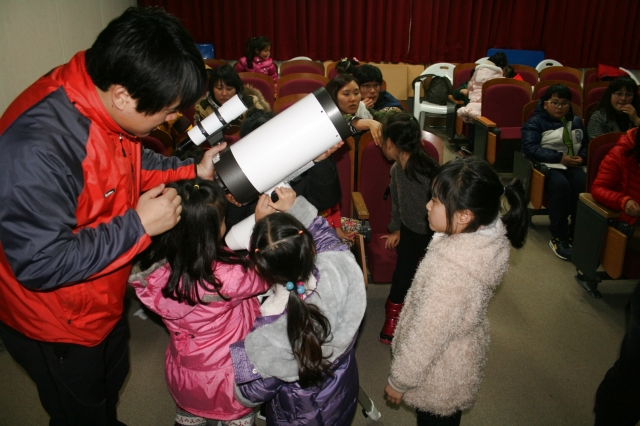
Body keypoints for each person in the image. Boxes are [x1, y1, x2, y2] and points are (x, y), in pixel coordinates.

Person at [0, 7, 225, 425]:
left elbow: (133, 163)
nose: (173, 118)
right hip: (56, 321)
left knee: (110, 379)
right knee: (78, 409)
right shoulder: (37, 149)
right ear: (123, 95)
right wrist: (138, 226)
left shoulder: (101, 97)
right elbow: (40, 263)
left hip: (100, 293)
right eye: (168, 110)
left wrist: (193, 169)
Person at [384, 157, 528, 426]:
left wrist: (399, 380)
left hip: (439, 374)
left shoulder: (452, 274)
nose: (427, 205)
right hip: (455, 358)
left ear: (464, 216)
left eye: (436, 201)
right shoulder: (479, 236)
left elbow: (428, 333)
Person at [129, 179, 269, 426]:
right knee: (237, 417)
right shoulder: (228, 277)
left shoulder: (154, 272)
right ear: (213, 230)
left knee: (190, 413)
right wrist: (261, 226)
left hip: (185, 372)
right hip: (230, 375)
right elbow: (264, 276)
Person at [230, 188, 367, 425]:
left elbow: (248, 394)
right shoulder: (340, 268)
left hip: (298, 416)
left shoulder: (269, 331)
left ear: (260, 269)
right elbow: (328, 240)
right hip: (341, 392)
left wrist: (244, 350)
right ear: (310, 248)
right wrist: (295, 210)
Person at [223, 109, 343, 230]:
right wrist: (235, 204)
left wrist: (319, 161)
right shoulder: (236, 178)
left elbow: (326, 201)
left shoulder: (297, 164)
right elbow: (228, 229)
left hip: (298, 239)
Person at [378, 113, 440, 344]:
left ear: (391, 144)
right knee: (402, 274)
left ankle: (426, 319)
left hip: (435, 233)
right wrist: (396, 229)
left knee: (430, 276)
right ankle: (392, 316)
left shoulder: (428, 171)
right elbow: (397, 203)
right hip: (409, 231)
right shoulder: (396, 170)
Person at [522, 83, 588, 261]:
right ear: (545, 103)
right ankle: (559, 236)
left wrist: (582, 157)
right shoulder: (535, 122)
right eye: (555, 102)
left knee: (582, 185)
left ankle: (575, 232)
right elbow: (530, 149)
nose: (560, 107)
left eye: (564, 103)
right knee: (561, 186)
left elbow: (586, 145)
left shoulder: (576, 122)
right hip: (548, 166)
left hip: (572, 165)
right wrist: (559, 158)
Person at [326, 73, 396, 146]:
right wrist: (369, 123)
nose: (353, 99)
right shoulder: (326, 116)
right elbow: (342, 121)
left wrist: (398, 117)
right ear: (333, 97)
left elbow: (379, 115)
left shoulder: (362, 108)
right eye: (346, 94)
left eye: (356, 93)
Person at [194, 64, 270, 126]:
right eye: (219, 88)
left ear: (236, 89)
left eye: (229, 89)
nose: (224, 93)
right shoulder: (203, 107)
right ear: (211, 89)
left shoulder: (251, 102)